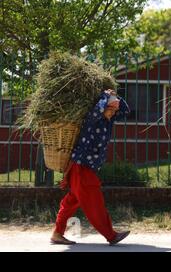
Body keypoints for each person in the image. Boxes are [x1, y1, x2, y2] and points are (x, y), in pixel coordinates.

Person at [51, 89, 131, 246]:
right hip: (82, 167)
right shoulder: (93, 119)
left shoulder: (109, 121)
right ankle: (111, 235)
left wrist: (116, 96)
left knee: (71, 202)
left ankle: (57, 233)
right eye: (112, 108)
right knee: (95, 203)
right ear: (105, 107)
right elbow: (98, 109)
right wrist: (106, 96)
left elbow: (126, 110)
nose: (114, 112)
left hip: (84, 168)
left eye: (115, 109)